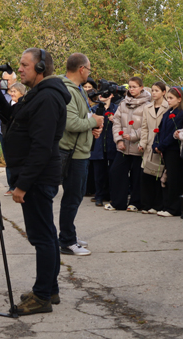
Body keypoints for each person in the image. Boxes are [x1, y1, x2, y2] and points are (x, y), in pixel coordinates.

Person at [0, 48, 70, 314]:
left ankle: (42, 296)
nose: (19, 69)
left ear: (40, 68)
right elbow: (14, 119)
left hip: (37, 178)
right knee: (46, 234)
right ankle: (50, 289)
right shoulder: (38, 94)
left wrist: (22, 185)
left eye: (24, 65)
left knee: (42, 237)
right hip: (36, 176)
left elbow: (41, 147)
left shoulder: (47, 97)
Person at [57, 53, 102, 256]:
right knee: (72, 198)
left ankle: (69, 235)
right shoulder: (67, 90)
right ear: (81, 69)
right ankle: (67, 241)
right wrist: (94, 122)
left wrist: (92, 127)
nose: (89, 73)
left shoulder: (78, 89)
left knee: (75, 197)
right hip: (72, 153)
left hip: (80, 151)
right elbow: (72, 123)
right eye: (89, 69)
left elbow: (83, 117)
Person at [107, 77, 151, 212]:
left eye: (134, 87)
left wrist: (133, 136)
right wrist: (119, 140)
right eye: (130, 87)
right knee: (116, 171)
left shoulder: (147, 105)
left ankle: (135, 203)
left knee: (137, 175)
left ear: (141, 87)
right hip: (123, 146)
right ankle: (118, 202)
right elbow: (116, 122)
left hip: (138, 145)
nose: (131, 89)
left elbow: (147, 125)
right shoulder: (123, 103)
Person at [153, 86, 183, 217]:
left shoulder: (181, 114)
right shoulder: (167, 113)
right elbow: (160, 130)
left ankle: (174, 208)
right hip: (165, 150)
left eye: (171, 98)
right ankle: (167, 205)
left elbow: (173, 134)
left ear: (179, 99)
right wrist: (156, 144)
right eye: (168, 98)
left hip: (173, 150)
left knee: (174, 179)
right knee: (166, 179)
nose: (168, 101)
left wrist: (162, 146)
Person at [139, 81, 168, 214]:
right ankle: (146, 204)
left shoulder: (167, 107)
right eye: (152, 90)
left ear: (163, 92)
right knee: (147, 174)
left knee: (159, 174)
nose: (154, 93)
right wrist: (142, 143)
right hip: (149, 144)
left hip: (161, 144)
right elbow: (144, 127)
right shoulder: (147, 107)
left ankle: (158, 205)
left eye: (157, 90)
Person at [89, 89, 119, 207]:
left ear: (111, 95)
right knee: (99, 173)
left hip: (112, 144)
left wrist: (114, 120)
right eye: (100, 93)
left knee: (112, 172)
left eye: (104, 93)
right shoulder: (94, 109)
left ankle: (111, 195)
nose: (101, 95)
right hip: (98, 145)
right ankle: (99, 196)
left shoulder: (116, 109)